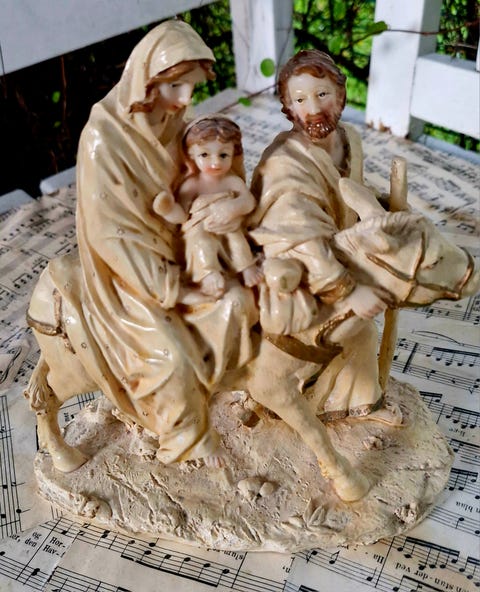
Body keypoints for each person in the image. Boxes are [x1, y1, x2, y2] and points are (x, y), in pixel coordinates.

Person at [69, 20, 256, 466]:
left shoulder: (176, 122)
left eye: (192, 87)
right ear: (146, 81)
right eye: (176, 86)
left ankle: (229, 387)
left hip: (188, 247)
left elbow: (215, 176)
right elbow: (108, 233)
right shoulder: (102, 139)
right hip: (132, 275)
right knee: (168, 354)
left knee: (242, 302)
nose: (186, 99)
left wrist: (234, 206)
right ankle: (185, 438)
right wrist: (175, 287)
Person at [248, 49, 400, 428]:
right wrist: (347, 290)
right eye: (300, 100)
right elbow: (300, 236)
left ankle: (356, 404)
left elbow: (350, 197)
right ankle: (306, 400)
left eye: (322, 94)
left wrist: (383, 207)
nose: (313, 109)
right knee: (358, 327)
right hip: (299, 276)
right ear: (288, 107)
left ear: (341, 94)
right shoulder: (283, 163)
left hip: (341, 256)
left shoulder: (350, 141)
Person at [160, 115, 261, 298]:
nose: (216, 163)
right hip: (199, 228)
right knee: (202, 242)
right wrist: (168, 210)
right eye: (205, 155)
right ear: (191, 155)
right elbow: (182, 215)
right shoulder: (192, 185)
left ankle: (246, 267)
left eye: (223, 155)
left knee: (236, 238)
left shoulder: (232, 181)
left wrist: (234, 207)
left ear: (234, 154)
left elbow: (249, 202)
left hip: (227, 225)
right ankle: (207, 274)